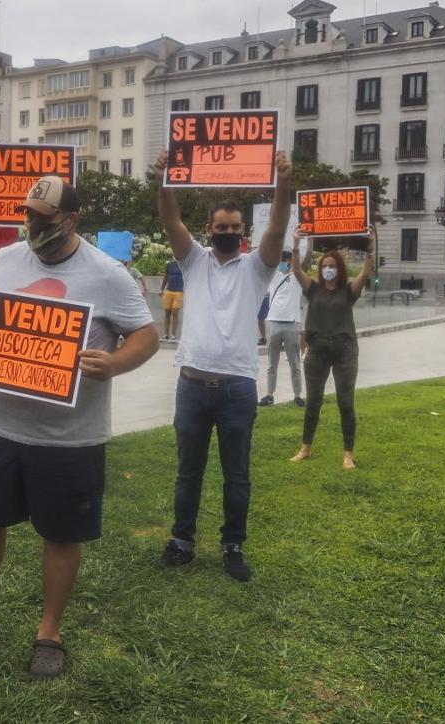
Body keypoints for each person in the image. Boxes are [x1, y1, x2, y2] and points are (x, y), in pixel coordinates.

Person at [0, 174, 158, 679]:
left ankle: (49, 632)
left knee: (61, 536)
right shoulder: (5, 260)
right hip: (1, 427)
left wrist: (115, 363)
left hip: (70, 440)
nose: (31, 225)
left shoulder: (107, 273)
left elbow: (147, 335)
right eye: (27, 215)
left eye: (43, 219)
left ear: (71, 220)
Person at [157, 150, 294, 582]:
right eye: (221, 228)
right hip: (191, 384)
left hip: (237, 388)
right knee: (188, 472)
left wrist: (282, 184)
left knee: (237, 475)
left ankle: (233, 546)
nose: (229, 233)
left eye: (235, 228)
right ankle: (182, 540)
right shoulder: (193, 260)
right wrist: (165, 178)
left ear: (244, 232)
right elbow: (170, 220)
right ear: (208, 230)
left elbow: (276, 227)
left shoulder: (258, 266)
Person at [289, 231, 376, 470]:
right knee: (313, 401)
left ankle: (348, 454)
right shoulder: (313, 289)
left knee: (345, 401)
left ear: (339, 268)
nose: (328, 269)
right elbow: (296, 271)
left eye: (332, 265)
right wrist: (297, 244)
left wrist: (370, 247)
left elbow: (364, 273)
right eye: (324, 265)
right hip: (317, 349)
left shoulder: (348, 291)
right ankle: (305, 448)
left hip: (344, 350)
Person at [259, 238, 306, 408]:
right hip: (273, 322)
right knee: (272, 363)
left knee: (294, 362)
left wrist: (296, 244)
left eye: (285, 261)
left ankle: (297, 395)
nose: (282, 264)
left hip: (292, 323)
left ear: (290, 262)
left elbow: (303, 260)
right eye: (280, 261)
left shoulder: (297, 277)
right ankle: (270, 394)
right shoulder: (273, 276)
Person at [159, 257, 183, 341]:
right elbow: (166, 277)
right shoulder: (169, 265)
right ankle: (166, 334)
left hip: (179, 292)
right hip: (169, 291)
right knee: (167, 313)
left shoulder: (183, 265)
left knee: (175, 313)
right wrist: (162, 289)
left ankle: (173, 335)